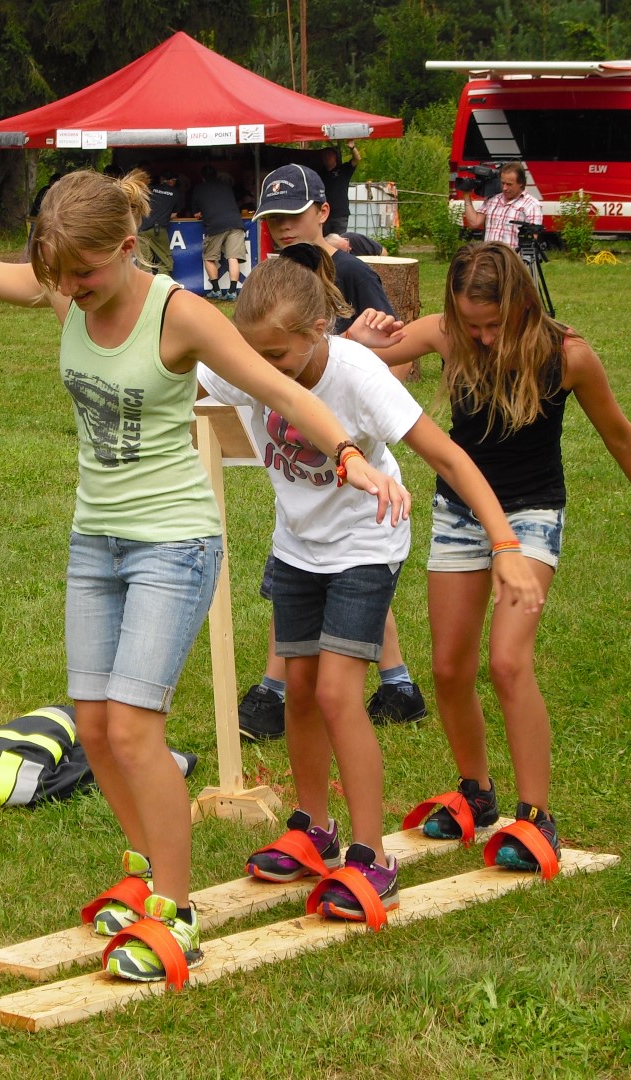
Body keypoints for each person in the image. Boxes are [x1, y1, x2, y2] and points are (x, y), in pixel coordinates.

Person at [0, 160, 408, 984]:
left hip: (173, 544)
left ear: (125, 246)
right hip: (98, 542)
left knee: (133, 729)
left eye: (82, 273)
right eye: (57, 275)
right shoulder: (63, 289)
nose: (68, 289)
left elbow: (274, 387)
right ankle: (147, 868)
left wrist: (345, 453)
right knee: (92, 726)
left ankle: (176, 914)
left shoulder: (178, 313)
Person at [198, 246, 541, 918]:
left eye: (279, 358)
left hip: (367, 540)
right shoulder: (245, 363)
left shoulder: (358, 375)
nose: (265, 372)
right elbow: (171, 367)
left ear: (316, 332)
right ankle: (313, 830)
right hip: (297, 543)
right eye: (255, 357)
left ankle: (370, 855)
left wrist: (505, 545)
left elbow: (447, 456)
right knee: (297, 688)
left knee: (335, 692)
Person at [361, 242, 631, 871]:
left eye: (495, 324)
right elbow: (344, 363)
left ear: (523, 304)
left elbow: (620, 434)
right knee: (448, 668)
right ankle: (476, 795)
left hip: (530, 516)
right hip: (459, 512)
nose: (483, 336)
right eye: (471, 324)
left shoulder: (568, 355)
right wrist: (359, 334)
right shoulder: (448, 336)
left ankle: (536, 818)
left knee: (507, 662)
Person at [237, 163, 423, 734]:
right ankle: (398, 685)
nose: (284, 229)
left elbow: (403, 357)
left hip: (352, 468)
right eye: (273, 220)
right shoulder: (269, 279)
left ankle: (275, 692)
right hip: (301, 474)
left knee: (347, 566)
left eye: (294, 216)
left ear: (323, 211)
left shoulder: (351, 273)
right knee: (325, 572)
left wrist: (355, 350)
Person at [191, 165, 248, 300]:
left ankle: (216, 290)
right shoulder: (226, 186)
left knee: (209, 258)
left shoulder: (199, 189)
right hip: (235, 223)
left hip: (215, 225)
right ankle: (232, 292)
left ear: (203, 177)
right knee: (233, 258)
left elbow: (195, 213)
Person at [461, 162, 543, 250]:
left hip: (511, 261)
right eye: (503, 183)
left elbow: (531, 240)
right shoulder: (492, 200)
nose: (504, 188)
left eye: (509, 184)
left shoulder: (532, 205)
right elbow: (475, 222)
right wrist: (466, 196)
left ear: (521, 183)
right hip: (489, 258)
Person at [137, 171, 183, 276]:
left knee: (145, 262)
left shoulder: (150, 188)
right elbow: (173, 215)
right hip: (158, 230)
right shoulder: (176, 193)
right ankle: (163, 288)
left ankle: (145, 289)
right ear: (171, 181)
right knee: (165, 261)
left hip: (141, 228)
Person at [319, 141, 361, 234]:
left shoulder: (343, 170)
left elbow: (357, 159)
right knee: (325, 243)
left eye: (329, 155)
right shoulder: (321, 173)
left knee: (339, 242)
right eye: (325, 156)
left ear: (335, 157)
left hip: (340, 215)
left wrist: (352, 147)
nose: (326, 158)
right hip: (325, 215)